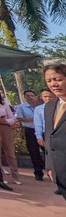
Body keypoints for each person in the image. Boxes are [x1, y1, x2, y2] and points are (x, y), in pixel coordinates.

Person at [0, 86, 21, 184]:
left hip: (5, 128)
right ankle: (1, 176)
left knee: (10, 153)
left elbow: (12, 118)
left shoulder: (4, 104)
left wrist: (5, 120)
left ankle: (15, 176)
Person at [44, 64, 66, 200]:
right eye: (49, 81)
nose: (54, 84)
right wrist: (50, 165)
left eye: (57, 79)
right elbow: (49, 136)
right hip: (60, 171)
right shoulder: (50, 106)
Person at [16, 89, 45, 180]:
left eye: (32, 95)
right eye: (28, 95)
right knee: (33, 152)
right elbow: (20, 118)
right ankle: (38, 173)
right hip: (30, 130)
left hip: (43, 131)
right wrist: (34, 119)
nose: (30, 97)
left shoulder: (41, 106)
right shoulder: (21, 107)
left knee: (47, 151)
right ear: (24, 97)